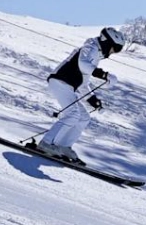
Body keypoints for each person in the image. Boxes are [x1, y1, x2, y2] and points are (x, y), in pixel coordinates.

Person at [36, 26, 125, 164]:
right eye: (114, 48)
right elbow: (83, 65)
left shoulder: (96, 55)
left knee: (84, 117)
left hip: (68, 86)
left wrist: (93, 99)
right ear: (107, 42)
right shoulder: (90, 47)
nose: (113, 52)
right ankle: (46, 143)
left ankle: (63, 146)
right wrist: (104, 75)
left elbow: (83, 84)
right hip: (59, 82)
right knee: (73, 114)